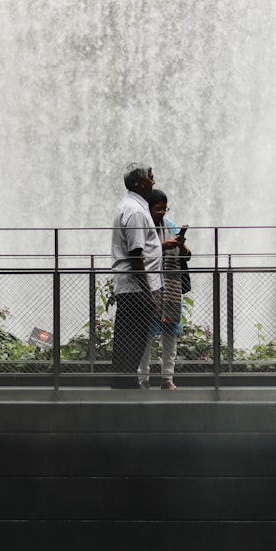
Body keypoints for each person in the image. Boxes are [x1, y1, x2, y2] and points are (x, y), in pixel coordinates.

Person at [111, 163, 162, 389]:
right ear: (140, 183)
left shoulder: (130, 206)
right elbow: (135, 254)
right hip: (136, 289)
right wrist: (148, 293)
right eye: (151, 177)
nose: (154, 181)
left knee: (127, 339)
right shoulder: (136, 212)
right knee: (133, 341)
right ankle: (126, 390)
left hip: (132, 287)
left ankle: (123, 386)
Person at [138, 189, 190, 390]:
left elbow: (186, 256)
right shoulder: (143, 227)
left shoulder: (170, 226)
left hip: (171, 287)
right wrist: (162, 246)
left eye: (164, 209)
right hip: (150, 287)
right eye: (158, 209)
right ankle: (143, 378)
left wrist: (182, 245)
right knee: (147, 335)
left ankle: (167, 377)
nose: (162, 213)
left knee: (170, 333)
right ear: (148, 209)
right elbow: (139, 253)